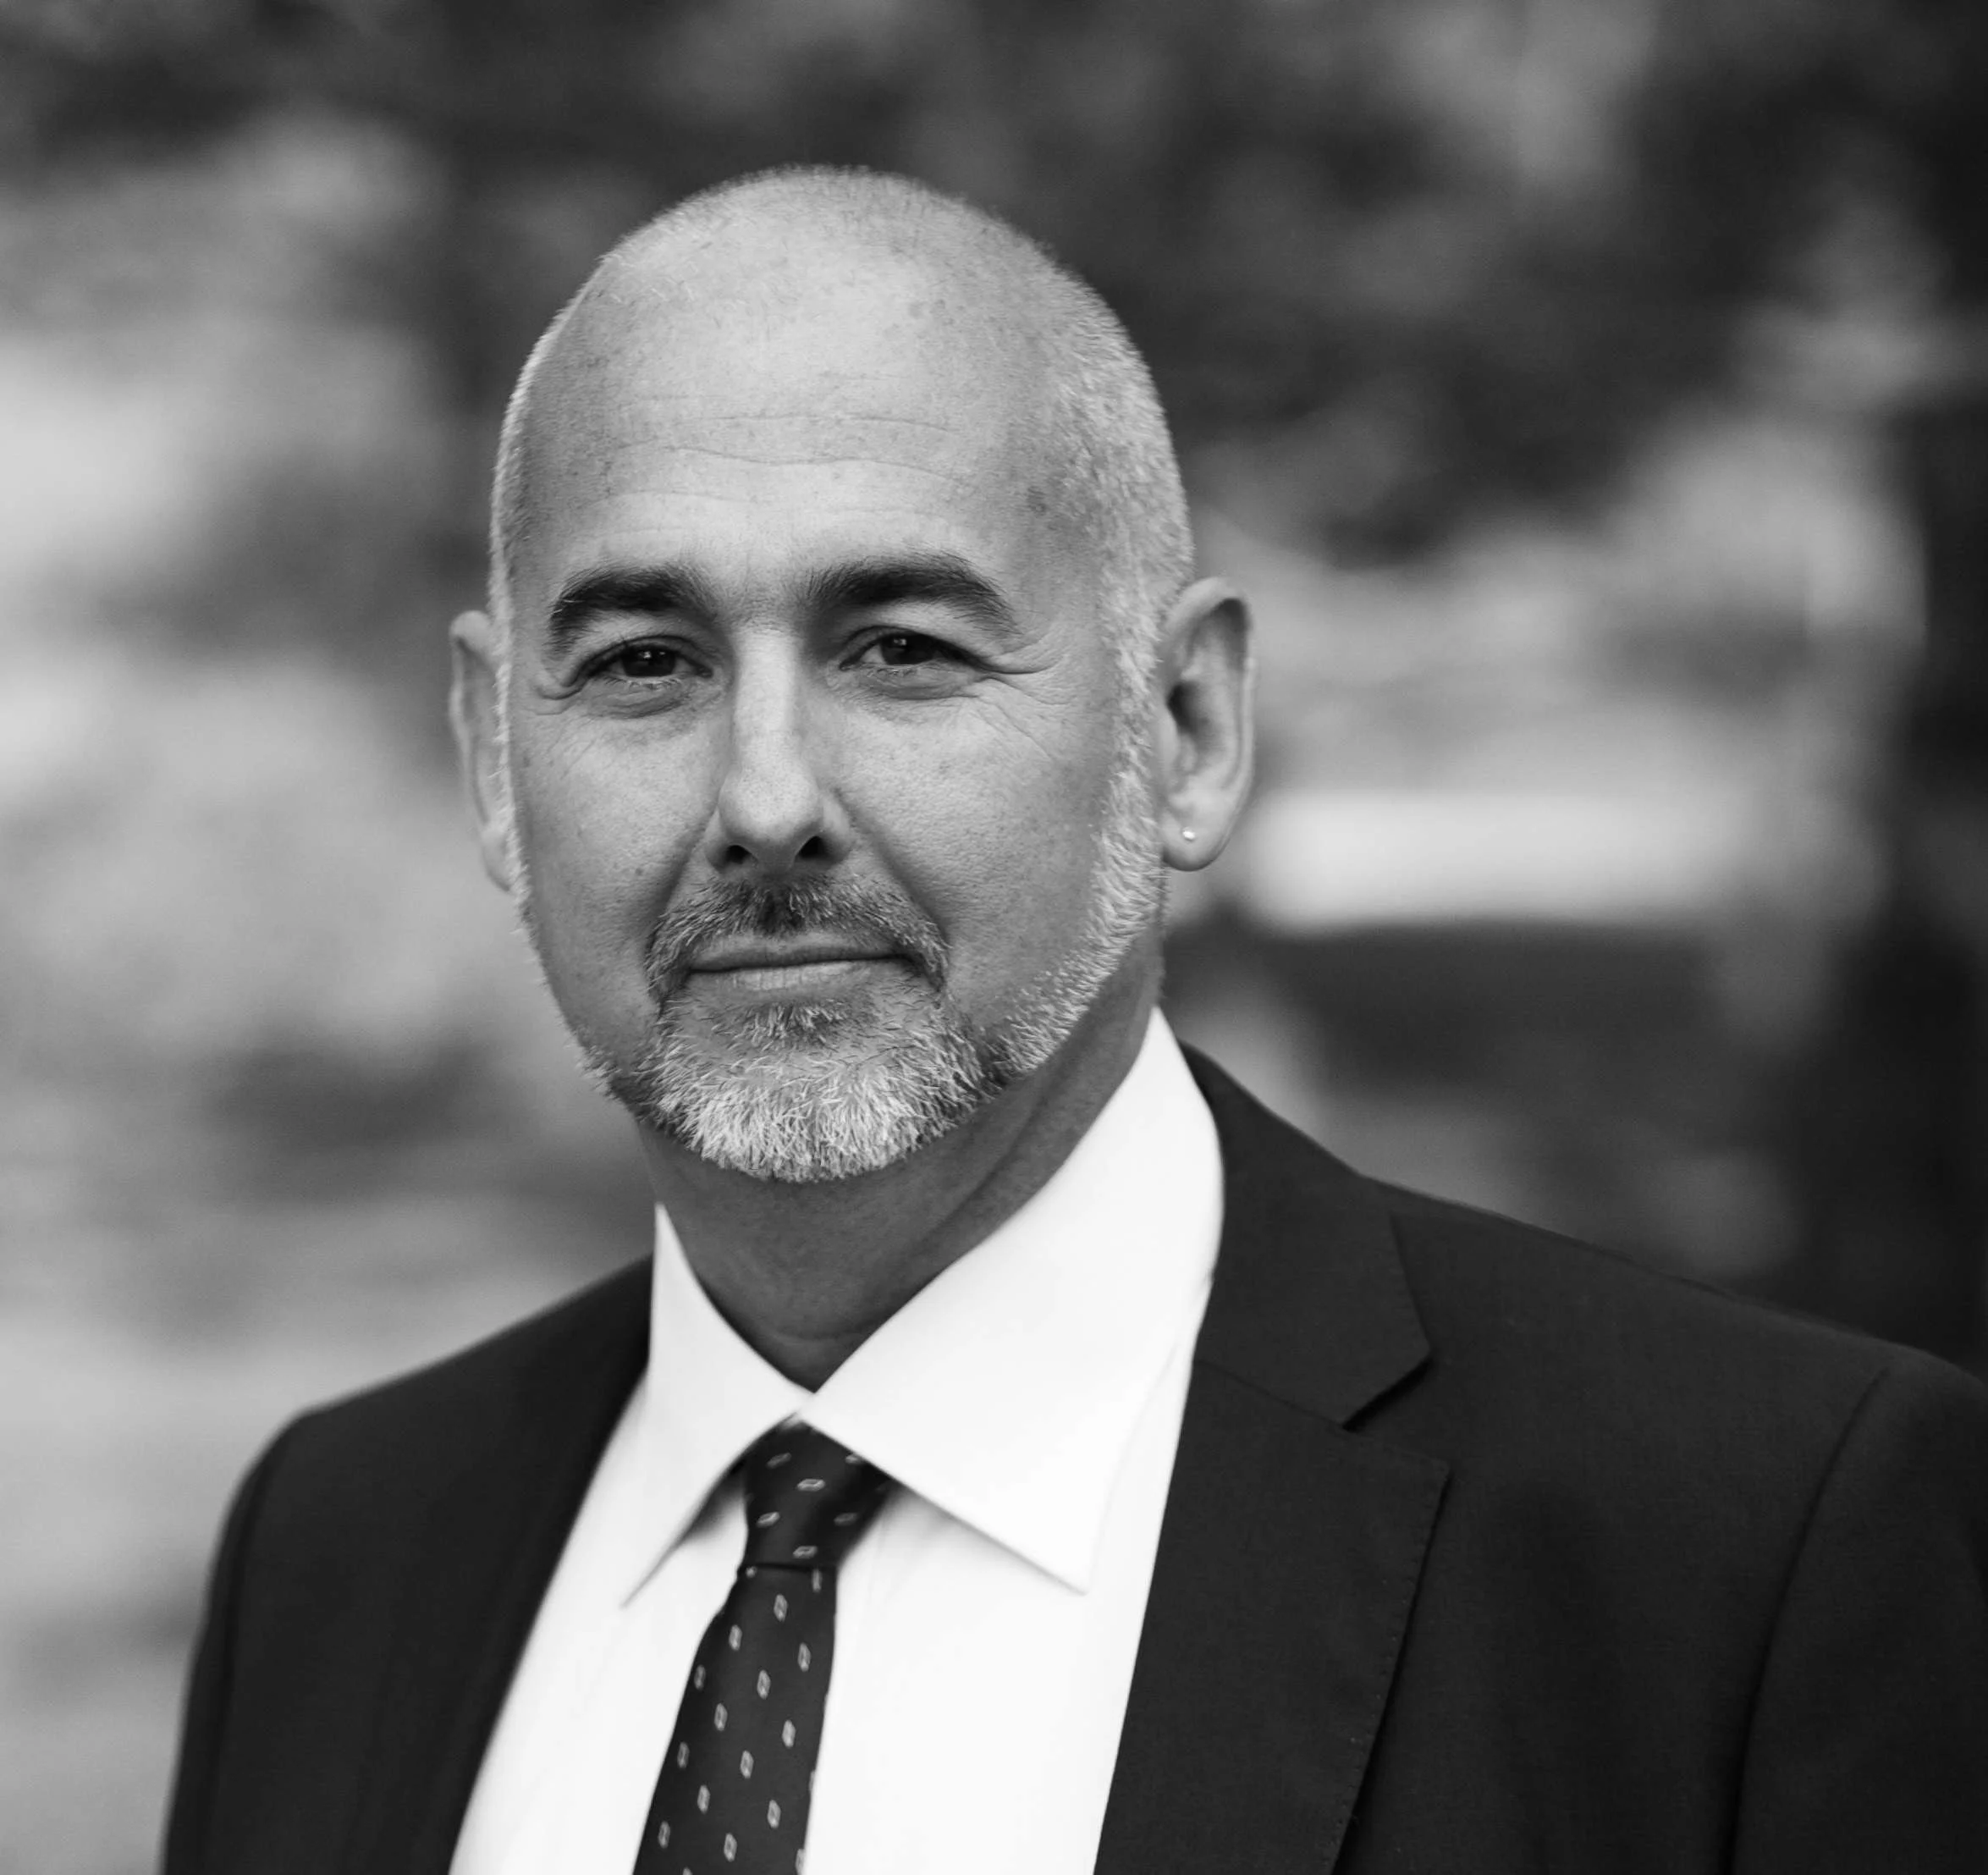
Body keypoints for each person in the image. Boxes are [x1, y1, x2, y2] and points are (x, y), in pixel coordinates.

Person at [161, 168, 1988, 1875]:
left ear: (1184, 731)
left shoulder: (1745, 1556)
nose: (766, 794)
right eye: (646, 661)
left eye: (903, 648)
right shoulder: (341, 1544)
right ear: (495, 761)